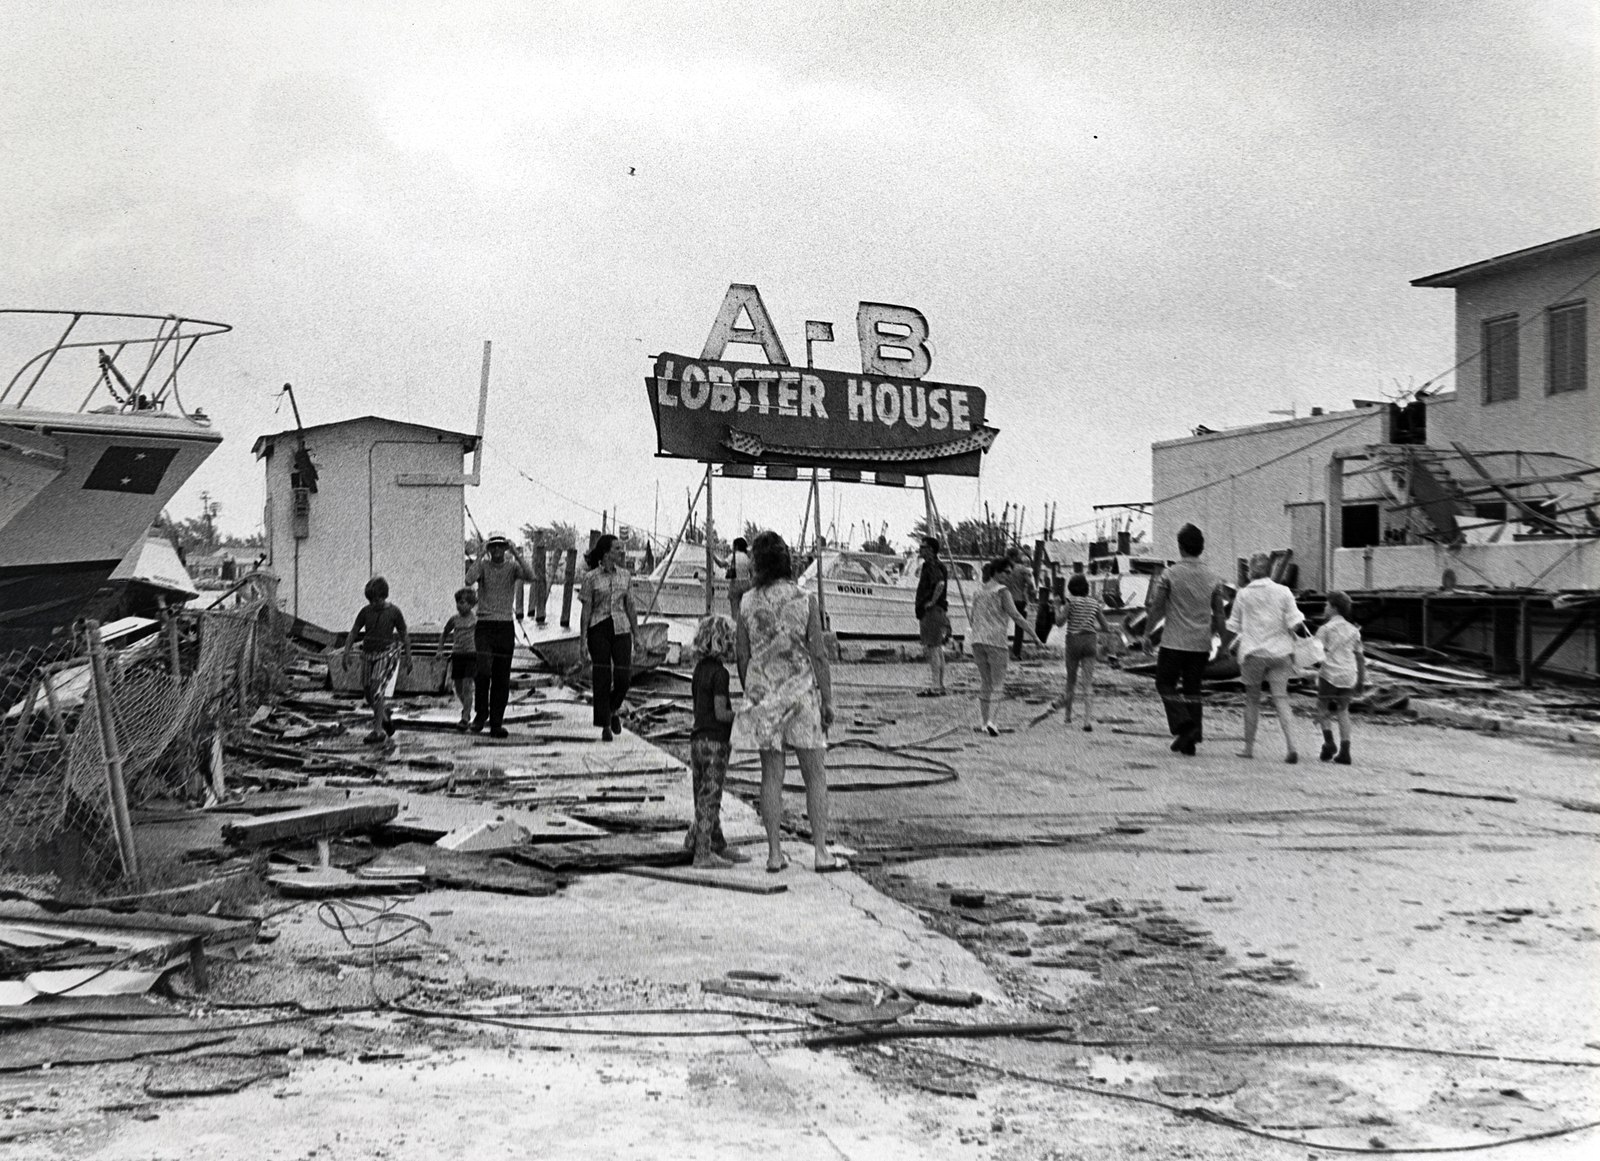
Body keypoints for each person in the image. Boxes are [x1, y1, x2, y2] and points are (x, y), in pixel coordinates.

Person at [732, 531, 841, 874]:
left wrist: (751, 687)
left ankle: (774, 853)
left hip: (764, 697)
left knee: (771, 778)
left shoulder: (747, 602)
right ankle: (821, 852)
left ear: (757, 563)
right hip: (802, 694)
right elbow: (819, 655)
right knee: (815, 776)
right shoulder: (806, 599)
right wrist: (827, 699)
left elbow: (741, 653)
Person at [1143, 523, 1226, 756]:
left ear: (1180, 547)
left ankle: (1184, 725)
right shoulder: (1213, 577)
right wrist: (1224, 644)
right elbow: (1219, 613)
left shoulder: (1170, 574)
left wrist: (1147, 633)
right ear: (1201, 547)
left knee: (1164, 683)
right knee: (1192, 688)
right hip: (1200, 644)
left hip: (1173, 642)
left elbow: (1158, 606)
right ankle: (1190, 739)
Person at [1228, 551, 1312, 763]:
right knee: (1281, 699)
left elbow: (1235, 626)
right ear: (1270, 569)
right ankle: (1292, 746)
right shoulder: (1284, 592)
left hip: (1253, 654)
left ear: (1250, 571)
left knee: (1252, 700)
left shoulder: (1243, 594)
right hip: (1280, 653)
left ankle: (1248, 748)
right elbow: (1296, 624)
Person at [682, 614, 750, 868]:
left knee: (703, 792)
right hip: (716, 743)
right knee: (711, 796)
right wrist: (744, 715)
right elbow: (721, 712)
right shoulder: (720, 674)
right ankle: (702, 851)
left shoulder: (699, 670)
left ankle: (714, 840)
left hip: (697, 739)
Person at [466, 531, 533, 738]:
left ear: (505, 548)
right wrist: (480, 554)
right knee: (483, 670)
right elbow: (468, 580)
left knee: (501, 677)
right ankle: (481, 714)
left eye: (500, 546)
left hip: (505, 626)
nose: (496, 550)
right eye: (493, 546)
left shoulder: (512, 567)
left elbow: (531, 576)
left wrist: (515, 552)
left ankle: (497, 721)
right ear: (489, 548)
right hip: (485, 625)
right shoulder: (484, 566)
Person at [970, 557, 1043, 736]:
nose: (1009, 576)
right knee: (998, 684)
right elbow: (1016, 616)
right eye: (1006, 573)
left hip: (977, 640)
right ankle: (992, 723)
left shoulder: (979, 591)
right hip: (996, 641)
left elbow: (972, 616)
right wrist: (1034, 636)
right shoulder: (1002, 591)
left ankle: (984, 722)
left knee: (985, 683)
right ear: (997, 572)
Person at [579, 533, 638, 742]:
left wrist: (637, 635)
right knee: (602, 677)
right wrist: (582, 641)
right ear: (606, 553)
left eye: (621, 549)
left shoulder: (625, 576)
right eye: (617, 549)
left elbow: (630, 606)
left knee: (624, 677)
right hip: (598, 627)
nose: (621, 552)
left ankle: (612, 709)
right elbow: (586, 610)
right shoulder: (591, 578)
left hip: (621, 627)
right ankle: (604, 724)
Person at [342, 576, 412, 745]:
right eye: (371, 600)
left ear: (384, 596)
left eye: (377, 599)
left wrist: (408, 657)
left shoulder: (394, 612)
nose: (374, 603)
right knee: (367, 691)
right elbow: (354, 631)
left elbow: (404, 634)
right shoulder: (366, 612)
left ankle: (378, 730)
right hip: (367, 654)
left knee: (376, 688)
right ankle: (384, 716)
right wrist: (346, 652)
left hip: (385, 654)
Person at [1055, 572, 1112, 731]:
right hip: (1090, 641)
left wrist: (1055, 607)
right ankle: (1087, 721)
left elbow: (1059, 622)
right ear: (1086, 587)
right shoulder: (1094, 603)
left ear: (1071, 588)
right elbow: (1106, 627)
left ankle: (1068, 716)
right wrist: (1091, 626)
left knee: (1071, 680)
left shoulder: (1070, 602)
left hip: (1073, 641)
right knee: (1087, 682)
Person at [1314, 590, 1366, 765]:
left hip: (1329, 673)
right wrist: (1360, 680)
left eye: (1327, 604)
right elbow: (1359, 656)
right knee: (1343, 711)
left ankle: (1329, 742)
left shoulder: (1325, 629)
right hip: (1348, 674)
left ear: (1334, 608)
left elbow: (1315, 652)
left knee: (1322, 706)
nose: (1324, 607)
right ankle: (1345, 751)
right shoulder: (1354, 630)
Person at [437, 587, 479, 731]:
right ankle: (466, 707)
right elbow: (444, 633)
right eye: (458, 603)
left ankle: (466, 716)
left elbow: (482, 637)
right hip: (457, 654)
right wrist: (440, 649)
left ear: (471, 604)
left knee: (468, 685)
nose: (460, 606)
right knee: (458, 687)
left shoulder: (475, 620)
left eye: (463, 602)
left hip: (471, 654)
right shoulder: (454, 619)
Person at [914, 536, 950, 697]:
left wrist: (931, 601)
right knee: (937, 648)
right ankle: (939, 685)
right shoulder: (938, 565)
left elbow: (940, 584)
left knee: (932, 649)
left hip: (932, 611)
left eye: (923, 547)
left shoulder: (931, 565)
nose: (920, 550)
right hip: (939, 610)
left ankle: (935, 686)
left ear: (930, 550)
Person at [1003, 545, 1036, 660]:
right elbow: (1031, 584)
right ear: (1016, 556)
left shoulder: (1005, 569)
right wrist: (1029, 590)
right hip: (1019, 599)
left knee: (1002, 624)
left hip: (1006, 598)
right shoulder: (1023, 569)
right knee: (1019, 627)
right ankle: (1016, 653)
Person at [727, 536, 754, 621]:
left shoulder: (733, 556)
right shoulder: (747, 558)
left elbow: (721, 564)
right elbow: (752, 574)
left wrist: (712, 555)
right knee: (744, 610)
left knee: (734, 611)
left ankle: (736, 628)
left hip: (735, 583)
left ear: (736, 546)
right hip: (746, 584)